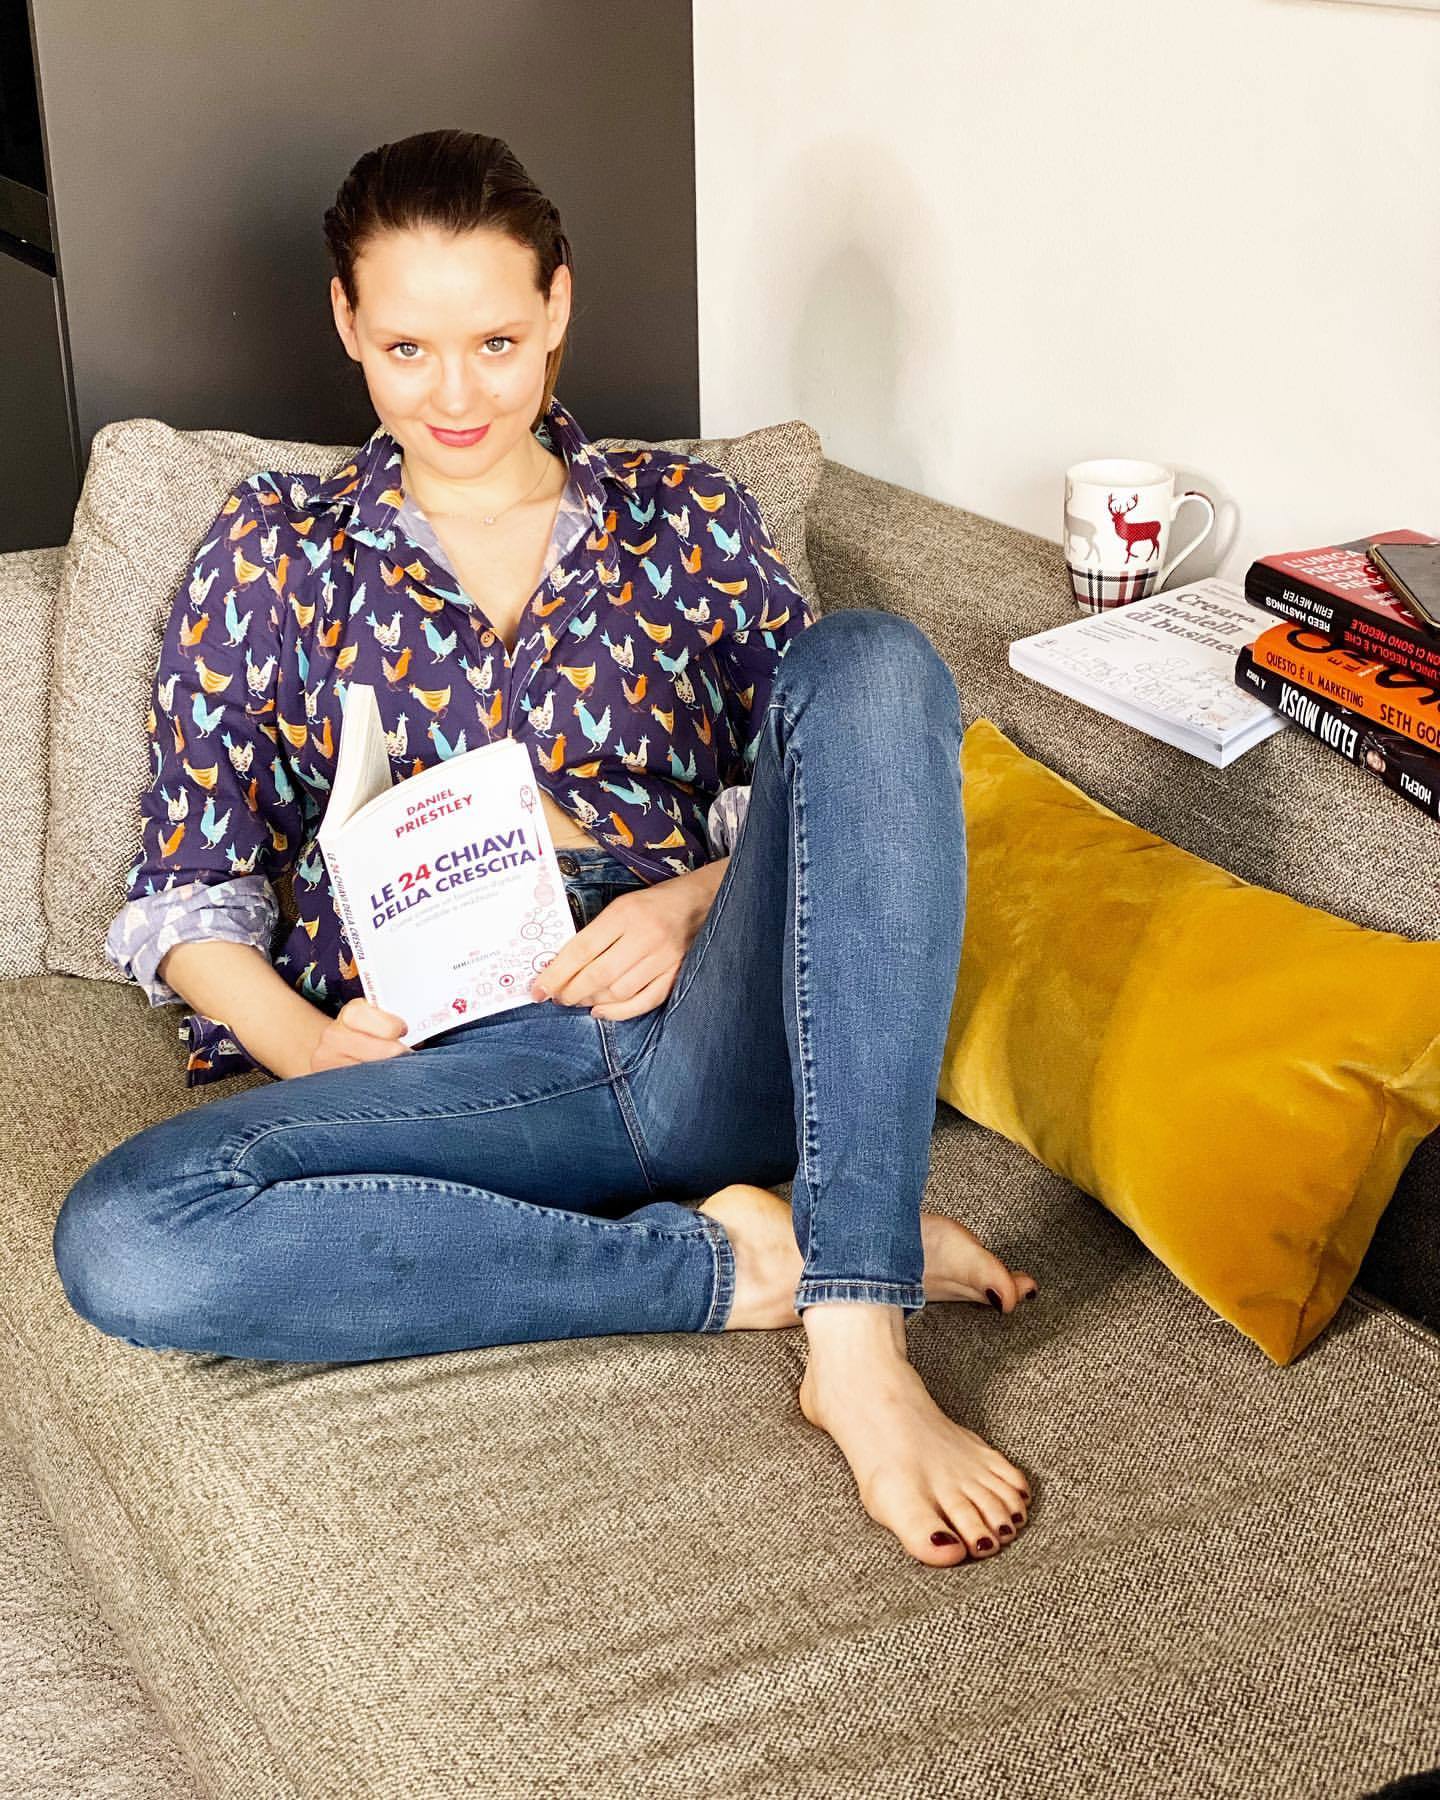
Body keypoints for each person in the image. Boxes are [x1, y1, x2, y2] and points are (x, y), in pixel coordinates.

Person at [53, 129, 1039, 1569]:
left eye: (498, 343)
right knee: (128, 1235)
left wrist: (692, 905)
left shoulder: (687, 522)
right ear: (346, 321)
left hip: (715, 1026)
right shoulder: (271, 551)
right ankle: (734, 1262)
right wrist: (308, 1048)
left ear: (559, 304)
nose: (456, 396)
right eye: (407, 348)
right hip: (467, 1077)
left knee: (877, 661)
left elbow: (839, 794)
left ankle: (859, 1331)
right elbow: (187, 891)